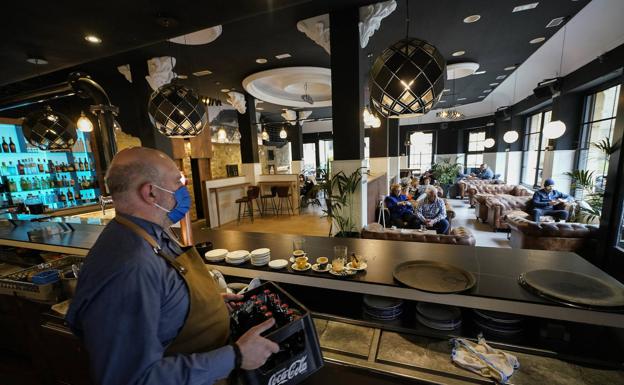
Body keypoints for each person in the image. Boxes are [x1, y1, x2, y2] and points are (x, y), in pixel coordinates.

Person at [66, 147, 279, 385]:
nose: (183, 191)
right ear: (151, 193)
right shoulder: (131, 267)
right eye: (178, 182)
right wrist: (235, 356)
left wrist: (202, 305)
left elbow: (162, 303)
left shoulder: (149, 232)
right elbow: (131, 379)